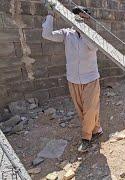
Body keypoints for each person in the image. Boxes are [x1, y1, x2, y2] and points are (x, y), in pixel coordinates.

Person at [42, 3, 103, 152]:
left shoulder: (91, 34)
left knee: (90, 108)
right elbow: (47, 34)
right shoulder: (66, 34)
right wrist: (50, 14)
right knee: (82, 110)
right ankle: (96, 129)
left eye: (83, 18)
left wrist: (83, 31)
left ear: (87, 19)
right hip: (73, 79)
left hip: (91, 78)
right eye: (77, 17)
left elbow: (93, 47)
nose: (80, 20)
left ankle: (86, 137)